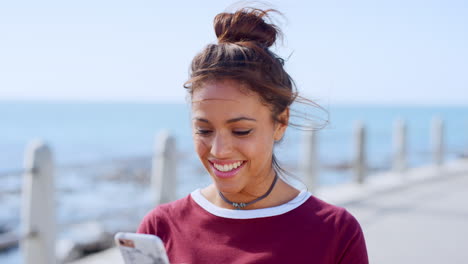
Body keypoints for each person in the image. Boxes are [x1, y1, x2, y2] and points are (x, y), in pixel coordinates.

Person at [138, 7, 368, 264]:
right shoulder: (160, 228)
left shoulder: (335, 232)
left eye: (241, 131)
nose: (219, 149)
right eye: (204, 130)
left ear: (281, 121)